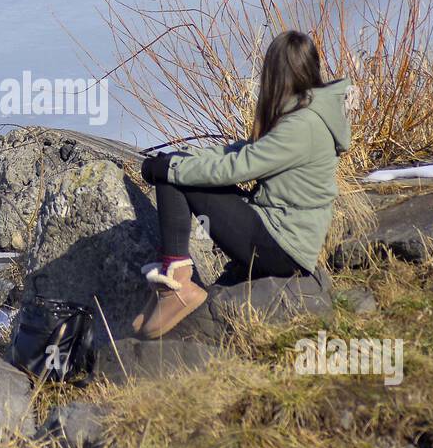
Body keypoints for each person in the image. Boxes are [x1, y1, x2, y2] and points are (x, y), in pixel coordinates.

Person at [134, 30, 351, 339]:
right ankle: (172, 284)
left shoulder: (302, 125)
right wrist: (182, 159)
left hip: (282, 247)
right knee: (178, 166)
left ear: (275, 74)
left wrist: (172, 167)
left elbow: (239, 167)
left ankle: (176, 286)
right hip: (283, 239)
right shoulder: (305, 115)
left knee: (176, 177)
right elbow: (243, 152)